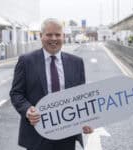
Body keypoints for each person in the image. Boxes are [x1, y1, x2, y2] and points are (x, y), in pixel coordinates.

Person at [10, 18, 93, 150]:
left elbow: (81, 97)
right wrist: (27, 110)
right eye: (49, 34)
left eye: (57, 34)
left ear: (63, 36)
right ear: (41, 36)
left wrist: (86, 119)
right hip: (36, 134)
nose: (53, 38)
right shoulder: (26, 61)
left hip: (67, 135)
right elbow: (16, 93)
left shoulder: (77, 62)